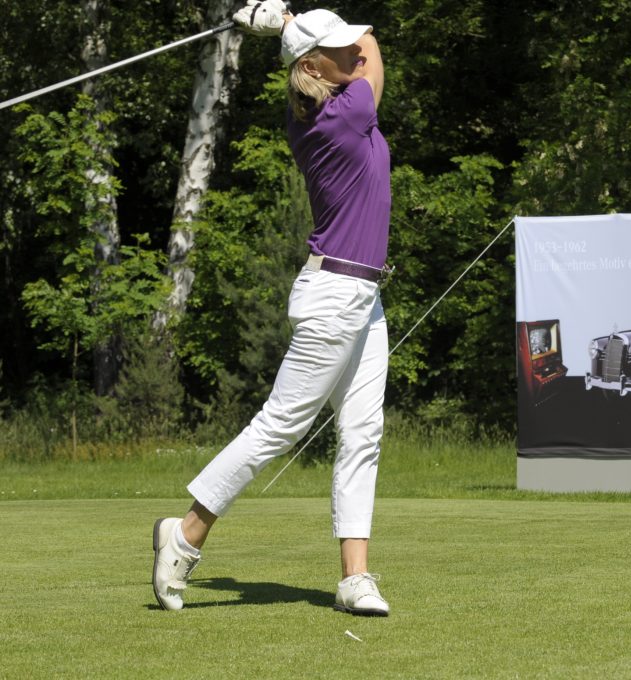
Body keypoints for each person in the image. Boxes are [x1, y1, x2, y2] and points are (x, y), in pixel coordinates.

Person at [152, 1, 392, 616]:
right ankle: (184, 534)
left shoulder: (323, 109)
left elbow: (354, 49)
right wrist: (287, 25)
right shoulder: (340, 115)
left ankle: (355, 579)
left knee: (363, 434)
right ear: (314, 64)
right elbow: (373, 50)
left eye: (343, 48)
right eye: (335, 50)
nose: (352, 52)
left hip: (363, 298)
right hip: (336, 295)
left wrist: (288, 24)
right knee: (280, 426)